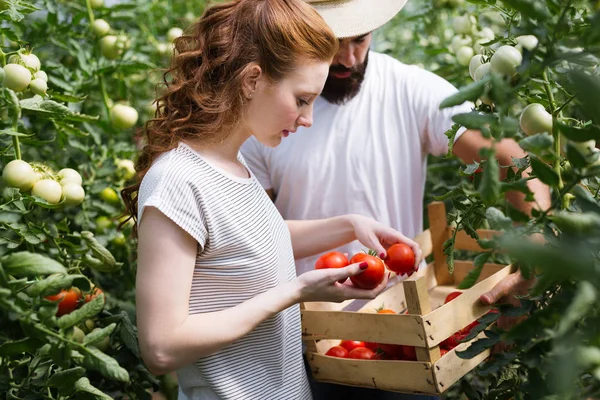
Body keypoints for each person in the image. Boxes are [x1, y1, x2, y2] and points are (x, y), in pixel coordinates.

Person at [240, 0, 552, 398]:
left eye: (360, 39)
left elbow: (512, 160)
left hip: (407, 335)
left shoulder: (410, 88)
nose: (349, 57)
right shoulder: (270, 112)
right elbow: (255, 234)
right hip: (308, 341)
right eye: (333, 41)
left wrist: (536, 241)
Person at [121, 1, 422, 399]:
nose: (308, 118)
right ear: (251, 80)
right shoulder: (178, 181)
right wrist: (295, 292)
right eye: (301, 99)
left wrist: (350, 224)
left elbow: (246, 246)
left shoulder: (234, 164)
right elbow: (161, 347)